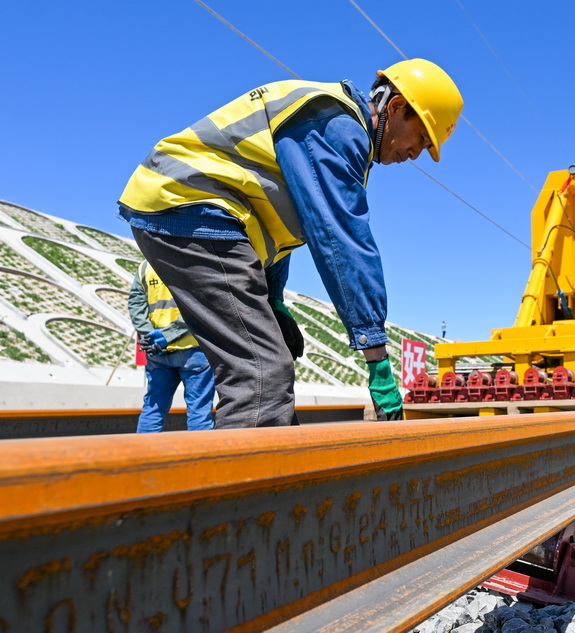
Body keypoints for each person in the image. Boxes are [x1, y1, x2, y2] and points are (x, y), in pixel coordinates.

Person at [117, 59, 463, 428]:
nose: (417, 154)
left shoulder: (333, 125)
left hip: (191, 209)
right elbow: (341, 239)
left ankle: (275, 470)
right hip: (193, 206)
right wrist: (376, 355)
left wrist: (274, 299)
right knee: (261, 375)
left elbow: (271, 221)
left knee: (268, 365)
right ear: (396, 108)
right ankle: (247, 483)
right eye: (422, 139)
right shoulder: (335, 124)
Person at [129, 260, 215, 432]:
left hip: (157, 351)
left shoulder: (145, 267)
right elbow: (200, 306)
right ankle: (201, 458)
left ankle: (143, 456)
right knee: (199, 411)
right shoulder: (194, 260)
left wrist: (150, 336)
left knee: (153, 408)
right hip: (194, 348)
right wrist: (168, 335)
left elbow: (135, 305)